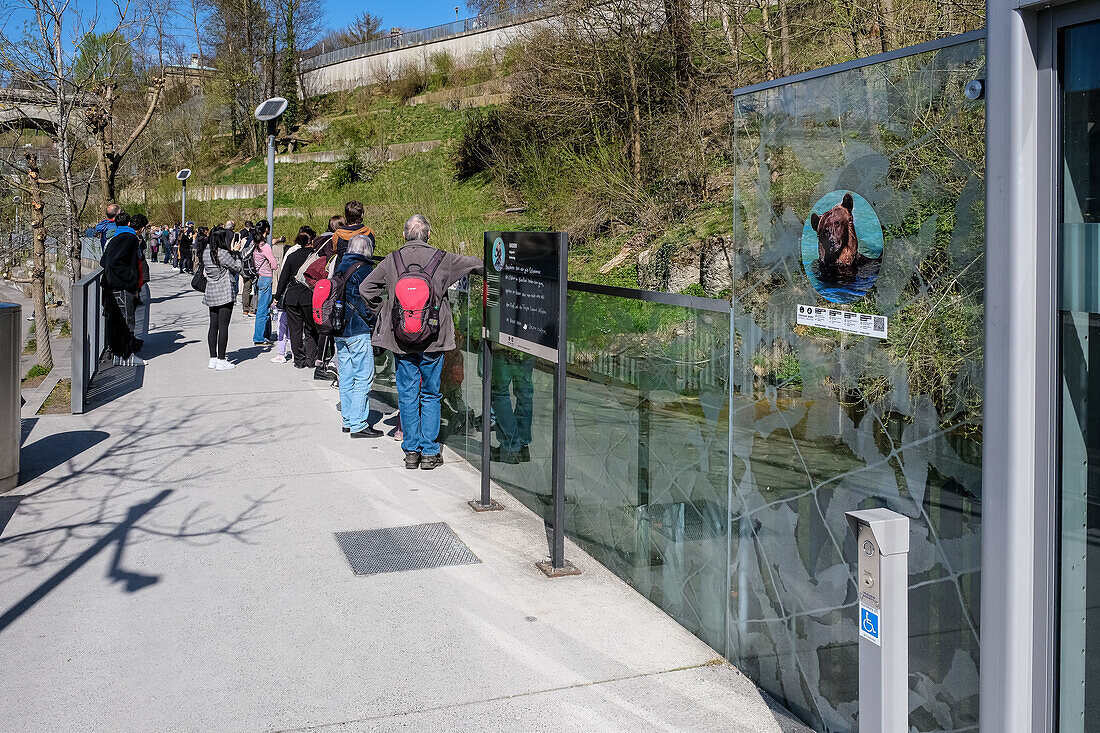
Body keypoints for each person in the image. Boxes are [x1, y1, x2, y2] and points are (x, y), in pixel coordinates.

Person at [360, 214, 484, 470]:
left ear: (404, 235)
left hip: (402, 340)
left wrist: (385, 313)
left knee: (407, 394)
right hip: (434, 339)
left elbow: (366, 288)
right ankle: (429, 452)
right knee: (431, 394)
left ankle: (411, 452)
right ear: (429, 235)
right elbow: (475, 264)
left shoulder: (391, 260)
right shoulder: (443, 259)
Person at [334, 234, 382, 437]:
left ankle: (347, 420)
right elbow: (368, 301)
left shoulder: (339, 266)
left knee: (346, 376)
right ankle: (359, 424)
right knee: (363, 377)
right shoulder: (364, 270)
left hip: (337, 329)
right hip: (358, 330)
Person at [99, 210, 145, 366]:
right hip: (122, 287)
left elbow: (104, 261)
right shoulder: (129, 238)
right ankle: (126, 356)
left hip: (112, 285)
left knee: (117, 322)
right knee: (126, 321)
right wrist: (130, 281)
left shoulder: (115, 237)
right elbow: (118, 263)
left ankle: (119, 354)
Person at [201, 226, 242, 370]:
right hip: (224, 291)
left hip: (211, 290)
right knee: (223, 326)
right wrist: (236, 252)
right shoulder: (223, 253)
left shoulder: (206, 252)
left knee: (213, 325)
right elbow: (237, 268)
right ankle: (222, 359)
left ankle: (213, 358)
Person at [275, 231, 318, 368]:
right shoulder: (316, 257)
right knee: (311, 329)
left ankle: (299, 360)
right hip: (309, 296)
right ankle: (312, 359)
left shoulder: (292, 256)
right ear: (313, 240)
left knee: (295, 330)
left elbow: (283, 278)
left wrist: (277, 296)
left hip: (292, 297)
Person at [252, 220, 278, 344]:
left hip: (258, 277)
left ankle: (266, 335)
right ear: (266, 229)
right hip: (266, 278)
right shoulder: (265, 246)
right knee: (263, 308)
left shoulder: (254, 244)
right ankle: (259, 337)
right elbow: (274, 265)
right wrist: (271, 263)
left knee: (264, 307)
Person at [130, 214, 153, 339]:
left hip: (131, 276)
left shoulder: (131, 236)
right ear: (142, 228)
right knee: (129, 312)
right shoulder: (131, 238)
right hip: (132, 276)